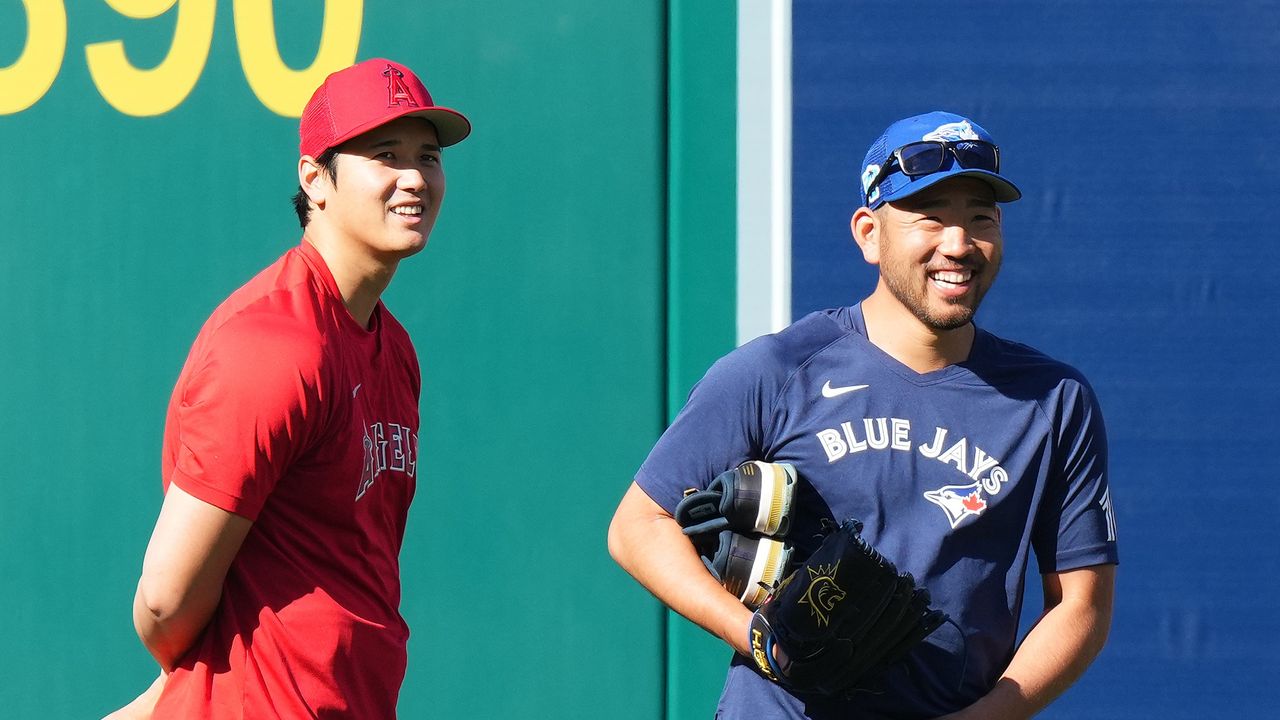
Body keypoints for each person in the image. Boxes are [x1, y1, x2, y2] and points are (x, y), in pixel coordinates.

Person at [608, 111, 1118, 719]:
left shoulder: (1052, 399)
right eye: (930, 216)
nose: (957, 244)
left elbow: (1080, 604)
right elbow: (639, 526)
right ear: (869, 234)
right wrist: (757, 639)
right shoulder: (780, 369)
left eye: (980, 218)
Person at [106, 58, 470, 718]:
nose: (414, 178)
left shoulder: (394, 348)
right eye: (385, 155)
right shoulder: (274, 346)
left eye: (428, 156)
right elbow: (163, 601)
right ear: (314, 178)